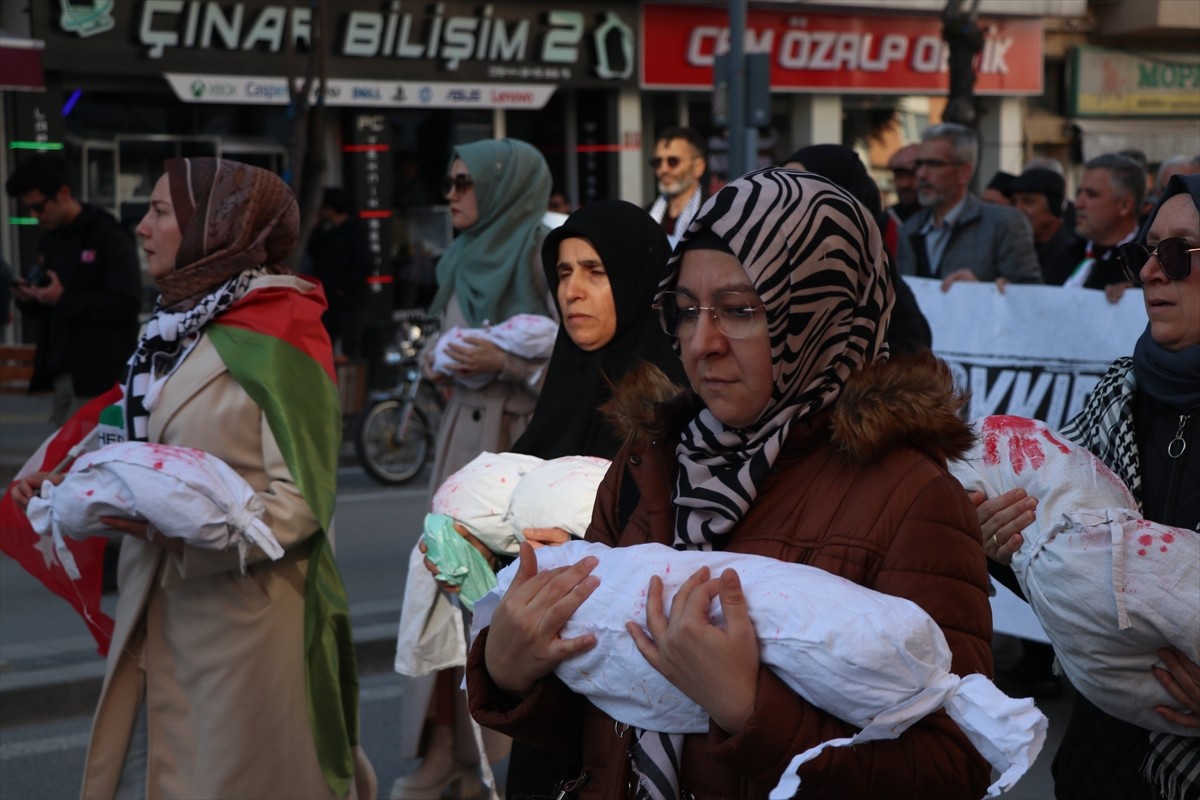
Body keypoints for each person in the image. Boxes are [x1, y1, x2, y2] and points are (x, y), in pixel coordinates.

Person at [466, 169, 995, 798]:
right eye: (686, 311)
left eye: (742, 311)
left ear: (820, 311)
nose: (702, 343)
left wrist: (750, 711)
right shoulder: (648, 463)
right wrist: (510, 672)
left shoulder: (910, 497)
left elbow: (955, 768)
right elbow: (604, 714)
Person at [10, 157, 372, 798]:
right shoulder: (174, 327)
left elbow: (304, 500)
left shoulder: (281, 331)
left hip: (242, 628)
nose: (141, 227)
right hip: (160, 609)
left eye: (160, 211)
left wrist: (182, 526)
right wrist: (70, 473)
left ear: (214, 227)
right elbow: (139, 427)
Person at [976, 173, 1200, 800]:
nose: (1152, 272)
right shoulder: (1118, 391)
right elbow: (1065, 577)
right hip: (1097, 762)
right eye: (1144, 253)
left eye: (1179, 253)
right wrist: (1003, 545)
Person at [392, 137, 556, 800]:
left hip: (521, 445)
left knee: (503, 606)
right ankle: (442, 754)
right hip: (461, 442)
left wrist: (509, 364)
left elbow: (575, 361)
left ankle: (491, 759)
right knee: (440, 593)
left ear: (503, 186)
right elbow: (443, 339)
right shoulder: (458, 259)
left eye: (464, 183)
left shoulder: (544, 258)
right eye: (450, 182)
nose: (452, 195)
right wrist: (440, 358)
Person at [4, 153, 141, 426]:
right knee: (61, 456)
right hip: (63, 372)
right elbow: (50, 304)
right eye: (28, 209)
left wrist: (63, 299)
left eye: (39, 207)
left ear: (63, 193)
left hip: (99, 375)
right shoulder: (51, 238)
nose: (34, 216)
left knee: (77, 457)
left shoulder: (106, 234)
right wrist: (30, 299)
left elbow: (126, 302)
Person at [782, 144, 932, 354]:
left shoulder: (889, 301)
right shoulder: (770, 279)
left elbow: (909, 378)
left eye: (802, 186)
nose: (786, 198)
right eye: (781, 183)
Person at [895, 123, 1042, 290]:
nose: (921, 174)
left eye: (934, 164)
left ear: (964, 173)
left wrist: (982, 292)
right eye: (919, 164)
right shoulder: (909, 230)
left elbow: (1031, 294)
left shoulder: (1004, 224)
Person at [1066, 153, 1146, 298]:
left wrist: (1136, 295)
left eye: (1091, 195)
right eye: (1079, 193)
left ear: (1124, 205)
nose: (1078, 204)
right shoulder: (1065, 253)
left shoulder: (1147, 264)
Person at [307, 187, 372, 358]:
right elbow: (314, 253)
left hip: (349, 302)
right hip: (329, 301)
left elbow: (364, 264)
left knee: (350, 350)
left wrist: (342, 287)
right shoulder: (327, 232)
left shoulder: (354, 231)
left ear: (330, 208)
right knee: (324, 346)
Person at [1010, 168, 1082, 285]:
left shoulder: (1075, 256)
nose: (1017, 210)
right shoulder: (1009, 252)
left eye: (1028, 202)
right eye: (1013, 203)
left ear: (1054, 209)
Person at [647, 126, 707, 248]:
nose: (663, 170)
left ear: (698, 167)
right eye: (658, 162)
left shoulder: (713, 216)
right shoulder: (646, 217)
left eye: (673, 161)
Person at [886, 142, 921, 222]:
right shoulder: (887, 220)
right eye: (899, 176)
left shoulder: (944, 217)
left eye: (912, 175)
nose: (905, 184)